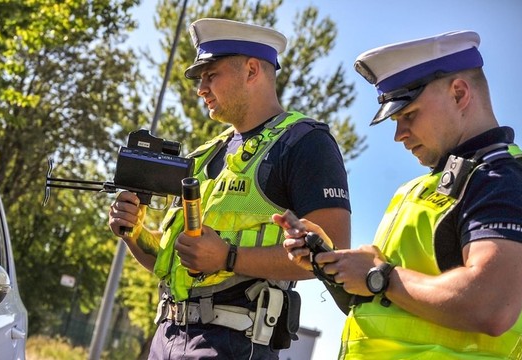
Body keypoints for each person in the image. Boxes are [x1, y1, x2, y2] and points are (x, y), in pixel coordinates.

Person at [276, 30, 522, 359]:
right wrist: (331, 263)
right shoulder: (420, 188)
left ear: (459, 93)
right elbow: (387, 307)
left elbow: (492, 305)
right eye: (396, 120)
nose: (399, 135)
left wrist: (378, 276)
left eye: (409, 115)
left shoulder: (505, 179)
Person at [108, 18, 351, 359]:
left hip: (236, 345)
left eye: (211, 75)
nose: (200, 89)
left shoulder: (305, 142)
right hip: (167, 337)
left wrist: (228, 258)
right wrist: (133, 233)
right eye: (200, 79)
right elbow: (171, 262)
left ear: (252, 70)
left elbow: (335, 251)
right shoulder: (206, 153)